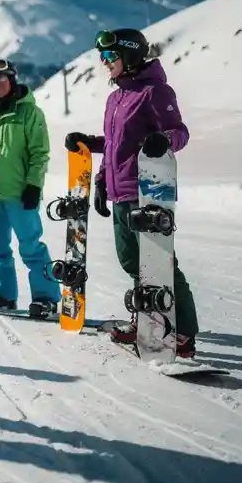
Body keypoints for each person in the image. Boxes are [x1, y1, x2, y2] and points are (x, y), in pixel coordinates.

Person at [65, 28, 199, 357]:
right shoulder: (116, 97)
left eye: (111, 56)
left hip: (148, 191)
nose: (104, 62)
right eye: (103, 57)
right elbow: (113, 146)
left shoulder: (155, 91)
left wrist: (163, 140)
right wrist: (98, 177)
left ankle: (183, 334)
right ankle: (149, 322)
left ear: (130, 55)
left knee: (159, 263)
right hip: (120, 192)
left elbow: (180, 132)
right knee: (131, 262)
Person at [0, 58, 60, 317]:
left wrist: (34, 185)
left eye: (0, 80)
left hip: (19, 192)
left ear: (12, 79)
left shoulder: (30, 113)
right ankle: (3, 295)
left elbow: (40, 153)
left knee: (31, 247)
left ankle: (46, 298)